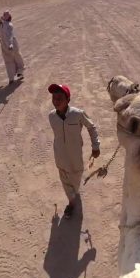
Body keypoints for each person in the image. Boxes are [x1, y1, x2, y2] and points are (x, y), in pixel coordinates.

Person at [48, 84, 100, 219]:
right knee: (64, 179)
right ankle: (71, 203)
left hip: (75, 156)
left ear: (68, 100)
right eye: (54, 98)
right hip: (59, 155)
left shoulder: (78, 114)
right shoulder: (51, 117)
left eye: (60, 98)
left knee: (76, 177)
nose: (56, 101)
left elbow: (91, 127)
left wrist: (95, 146)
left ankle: (73, 193)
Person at [0, 11, 25, 84]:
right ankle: (11, 78)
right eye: (4, 14)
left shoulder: (9, 25)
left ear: (8, 17)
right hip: (5, 46)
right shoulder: (0, 25)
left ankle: (19, 73)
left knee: (17, 58)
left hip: (11, 44)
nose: (4, 15)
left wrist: (10, 44)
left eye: (6, 14)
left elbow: (11, 35)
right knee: (9, 61)